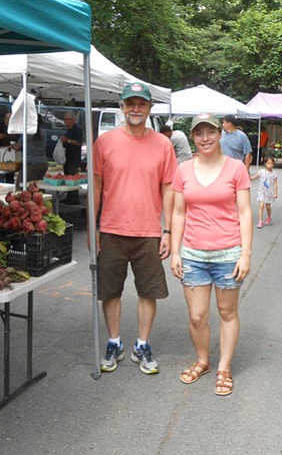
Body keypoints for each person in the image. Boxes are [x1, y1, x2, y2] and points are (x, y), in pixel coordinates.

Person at [93, 82, 177, 375]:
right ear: (122, 107)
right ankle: (114, 342)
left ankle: (142, 345)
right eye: (130, 104)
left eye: (141, 104)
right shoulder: (105, 142)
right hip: (112, 229)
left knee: (148, 292)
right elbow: (97, 185)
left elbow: (169, 188)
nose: (136, 109)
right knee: (110, 291)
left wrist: (168, 231)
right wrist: (93, 227)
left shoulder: (163, 145)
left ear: (150, 108)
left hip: (149, 232)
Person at [170, 113, 253, 396]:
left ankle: (224, 368)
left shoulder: (235, 169)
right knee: (196, 316)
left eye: (210, 132)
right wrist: (176, 253)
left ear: (220, 134)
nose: (205, 138)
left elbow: (244, 212)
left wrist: (246, 254)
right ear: (193, 137)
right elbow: (178, 212)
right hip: (193, 255)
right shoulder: (183, 170)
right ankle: (203, 360)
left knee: (227, 312)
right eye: (199, 133)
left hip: (228, 254)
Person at [8, 121, 48, 189]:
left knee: (20, 185)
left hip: (31, 163)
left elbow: (18, 147)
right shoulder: (43, 133)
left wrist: (11, 146)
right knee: (38, 187)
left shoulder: (27, 133)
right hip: (43, 163)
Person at [60, 112, 83, 204]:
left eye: (67, 119)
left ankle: (74, 198)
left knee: (72, 178)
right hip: (67, 157)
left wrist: (68, 140)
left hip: (74, 158)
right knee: (67, 177)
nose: (65, 121)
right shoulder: (68, 130)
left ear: (72, 120)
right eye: (64, 119)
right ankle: (69, 197)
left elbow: (79, 143)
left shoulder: (77, 130)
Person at [251, 156, 278, 228]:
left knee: (268, 206)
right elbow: (254, 177)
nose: (270, 165)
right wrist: (247, 177)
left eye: (271, 163)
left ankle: (269, 217)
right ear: (265, 164)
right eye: (268, 163)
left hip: (269, 192)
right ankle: (260, 221)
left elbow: (275, 183)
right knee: (261, 205)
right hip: (262, 191)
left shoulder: (274, 173)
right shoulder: (261, 172)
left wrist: (275, 193)